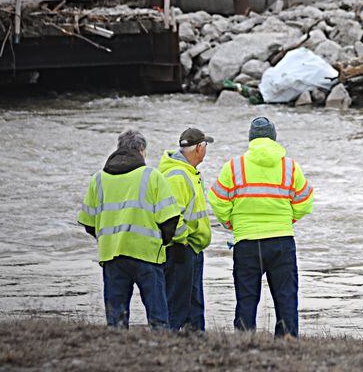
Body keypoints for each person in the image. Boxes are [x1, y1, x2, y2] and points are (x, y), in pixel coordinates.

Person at [207, 116, 314, 337]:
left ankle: (244, 340)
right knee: (286, 297)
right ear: (274, 138)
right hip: (281, 240)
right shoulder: (290, 167)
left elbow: (217, 199)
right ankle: (287, 342)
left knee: (246, 298)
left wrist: (232, 223)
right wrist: (286, 220)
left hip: (246, 241)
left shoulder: (234, 166)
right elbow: (305, 202)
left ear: (250, 139)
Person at [78, 130, 182, 329]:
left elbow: (88, 222)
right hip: (147, 254)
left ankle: (117, 353)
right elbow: (170, 218)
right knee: (158, 318)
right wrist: (162, 241)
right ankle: (162, 353)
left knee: (116, 320)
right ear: (141, 150)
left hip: (112, 255)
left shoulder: (98, 179)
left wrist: (105, 239)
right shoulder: (152, 176)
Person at [158, 127, 214, 331]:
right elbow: (172, 215)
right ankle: (170, 337)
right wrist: (181, 241)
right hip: (181, 249)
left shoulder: (188, 172)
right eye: (205, 145)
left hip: (192, 247)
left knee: (192, 301)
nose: (206, 149)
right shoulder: (178, 176)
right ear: (199, 148)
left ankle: (195, 335)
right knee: (177, 301)